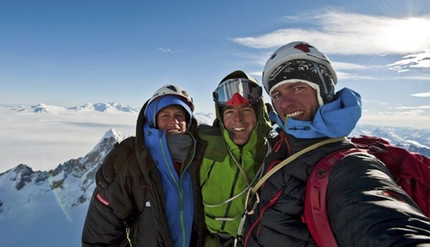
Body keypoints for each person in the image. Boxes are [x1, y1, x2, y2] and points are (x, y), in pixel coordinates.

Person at [243, 41, 430, 246]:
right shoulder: (281, 147)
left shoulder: (349, 166)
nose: (284, 103)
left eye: (297, 88)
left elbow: (382, 219)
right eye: (277, 94)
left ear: (323, 91)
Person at [82, 84, 207, 247]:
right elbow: (100, 235)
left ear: (188, 122)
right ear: (153, 119)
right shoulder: (130, 162)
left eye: (180, 115)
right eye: (165, 115)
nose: (174, 121)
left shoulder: (199, 157)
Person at [198, 70, 273, 246]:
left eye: (246, 110)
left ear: (259, 113)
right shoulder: (205, 144)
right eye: (229, 111)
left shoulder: (274, 152)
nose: (238, 119)